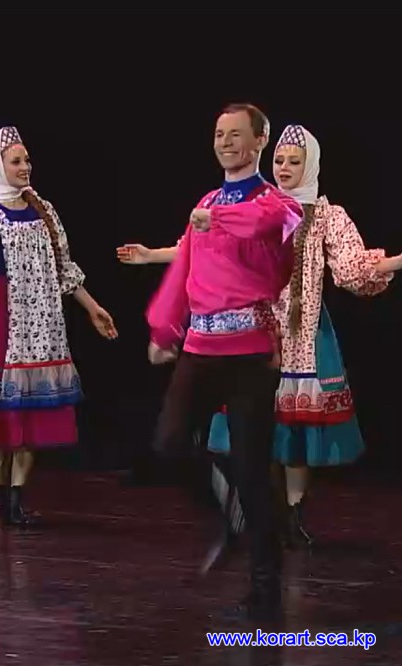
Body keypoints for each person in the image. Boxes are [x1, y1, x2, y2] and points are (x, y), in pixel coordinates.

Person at [206, 125, 395, 554]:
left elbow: (352, 268)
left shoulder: (327, 216)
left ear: (310, 165)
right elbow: (212, 248)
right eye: (279, 160)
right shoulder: (258, 208)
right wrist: (155, 256)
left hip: (305, 333)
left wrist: (396, 261)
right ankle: (260, 512)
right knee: (255, 428)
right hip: (258, 330)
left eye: (295, 161)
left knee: (296, 436)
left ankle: (293, 515)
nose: (285, 168)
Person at [145, 103, 302, 620]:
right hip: (201, 346)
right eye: (219, 134)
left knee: (254, 470)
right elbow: (185, 270)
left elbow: (263, 225)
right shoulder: (206, 203)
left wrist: (218, 219)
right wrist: (164, 328)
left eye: (236, 134)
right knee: (169, 442)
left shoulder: (277, 204)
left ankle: (265, 587)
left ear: (259, 141)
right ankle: (226, 508)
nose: (226, 142)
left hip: (250, 352)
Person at [0, 126, 117, 527]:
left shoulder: (44, 210)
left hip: (41, 320)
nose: (25, 167)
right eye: (16, 161)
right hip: (0, 317)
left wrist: (92, 308)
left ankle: (17, 500)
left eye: (27, 160)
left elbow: (64, 269)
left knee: (31, 414)